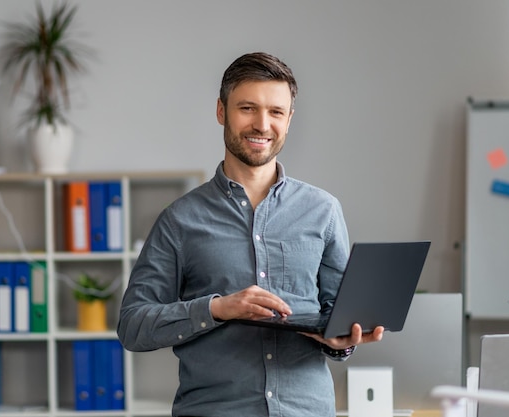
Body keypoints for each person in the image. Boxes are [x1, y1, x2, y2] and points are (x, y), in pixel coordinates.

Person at [117, 51, 384, 417]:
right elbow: (133, 325)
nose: (262, 124)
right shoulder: (180, 219)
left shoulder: (323, 210)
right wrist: (217, 309)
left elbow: (337, 316)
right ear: (221, 111)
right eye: (247, 108)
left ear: (289, 120)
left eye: (276, 112)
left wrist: (341, 342)